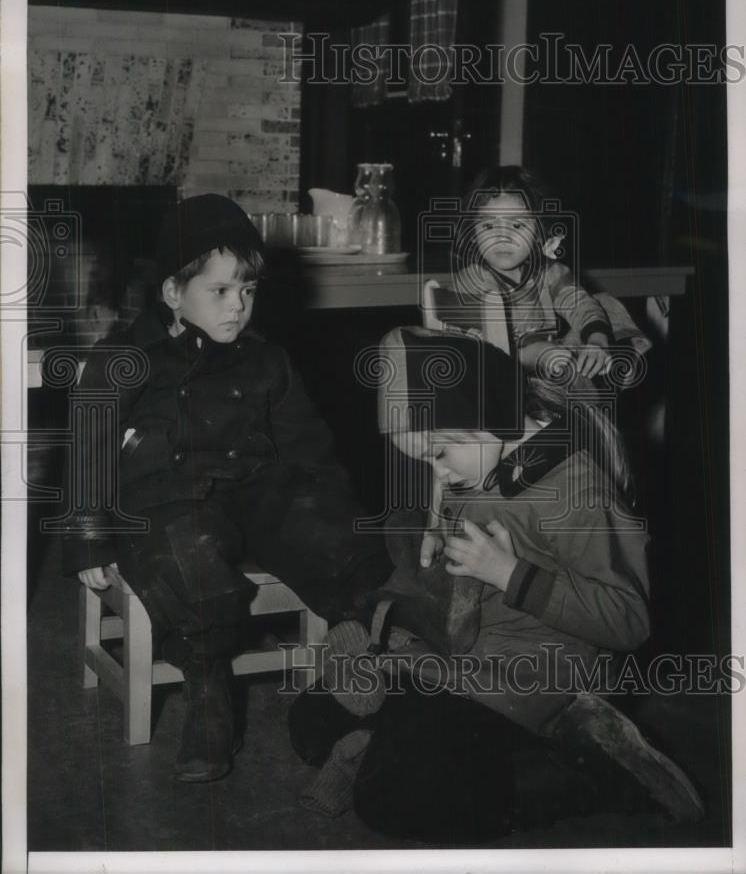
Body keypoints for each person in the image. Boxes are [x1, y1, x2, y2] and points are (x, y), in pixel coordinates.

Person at [59, 194, 392, 783]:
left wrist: (332, 514)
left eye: (248, 291)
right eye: (220, 292)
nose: (238, 307)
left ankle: (367, 643)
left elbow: (309, 452)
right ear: (172, 293)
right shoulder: (121, 361)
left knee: (326, 524)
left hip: (253, 490)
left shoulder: (268, 362)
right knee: (190, 557)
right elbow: (86, 456)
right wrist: (91, 538)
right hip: (165, 505)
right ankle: (207, 685)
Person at [322, 326, 704, 827]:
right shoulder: (479, 460)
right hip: (472, 655)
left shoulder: (574, 490)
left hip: (542, 677)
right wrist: (439, 529)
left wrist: (508, 573)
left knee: (393, 800)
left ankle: (604, 775)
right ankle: (394, 729)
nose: (437, 474)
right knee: (314, 722)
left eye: (439, 454)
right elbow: (462, 506)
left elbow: (629, 620)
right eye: (423, 460)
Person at [449, 165, 650, 379]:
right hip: (498, 377)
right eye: (488, 226)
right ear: (472, 233)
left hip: (552, 358)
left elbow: (580, 304)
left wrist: (597, 341)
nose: (502, 237)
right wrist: (527, 356)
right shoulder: (470, 282)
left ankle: (612, 352)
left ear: (539, 231)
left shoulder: (549, 271)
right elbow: (470, 348)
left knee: (603, 303)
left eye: (517, 225)